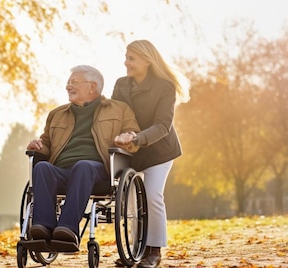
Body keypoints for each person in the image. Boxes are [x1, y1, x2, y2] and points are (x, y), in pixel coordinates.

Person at [25, 64, 140, 251]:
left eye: (74, 82)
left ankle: (67, 229)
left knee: (83, 166)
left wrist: (128, 138)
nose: (68, 86)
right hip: (62, 170)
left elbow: (134, 137)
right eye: (68, 82)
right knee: (42, 168)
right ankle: (43, 228)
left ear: (92, 86)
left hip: (98, 171)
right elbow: (46, 143)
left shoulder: (119, 110)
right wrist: (37, 145)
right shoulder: (57, 114)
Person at [111, 39, 190, 268]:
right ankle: (137, 251)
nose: (126, 62)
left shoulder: (164, 86)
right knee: (134, 202)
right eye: (126, 57)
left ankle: (154, 252)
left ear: (147, 60)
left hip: (159, 150)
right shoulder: (121, 84)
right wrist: (119, 136)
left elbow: (163, 126)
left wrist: (137, 138)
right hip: (130, 151)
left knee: (152, 194)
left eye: (131, 58)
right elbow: (115, 115)